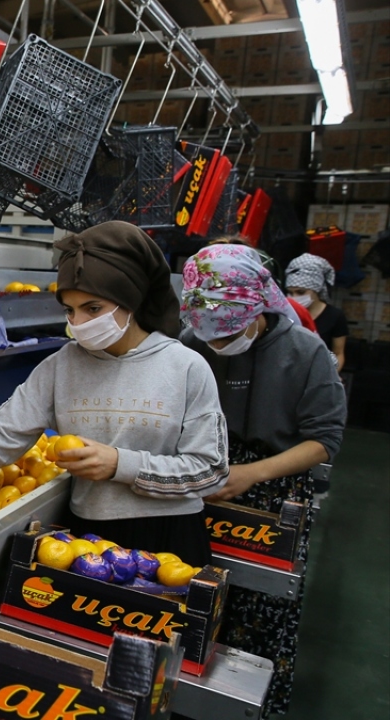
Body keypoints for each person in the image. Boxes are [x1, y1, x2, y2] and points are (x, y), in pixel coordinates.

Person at [0, 221, 228, 566]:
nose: (80, 322)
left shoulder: (186, 367)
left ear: (130, 299)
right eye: (70, 310)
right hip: (86, 541)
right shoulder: (61, 367)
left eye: (93, 309)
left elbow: (211, 470)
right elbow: (3, 433)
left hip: (169, 541)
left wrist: (121, 464)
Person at [179, 243, 346, 717]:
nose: (216, 345)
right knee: (195, 591)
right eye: (207, 335)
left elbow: (324, 440)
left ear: (259, 307)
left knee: (261, 606)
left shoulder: (305, 352)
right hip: (199, 478)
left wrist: (254, 472)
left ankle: (256, 704)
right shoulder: (190, 342)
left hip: (274, 490)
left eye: (228, 333)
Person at [285, 253, 349, 371]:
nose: (294, 297)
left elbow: (338, 353)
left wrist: (331, 377)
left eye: (301, 292)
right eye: (290, 292)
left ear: (317, 289)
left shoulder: (335, 316)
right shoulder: (285, 313)